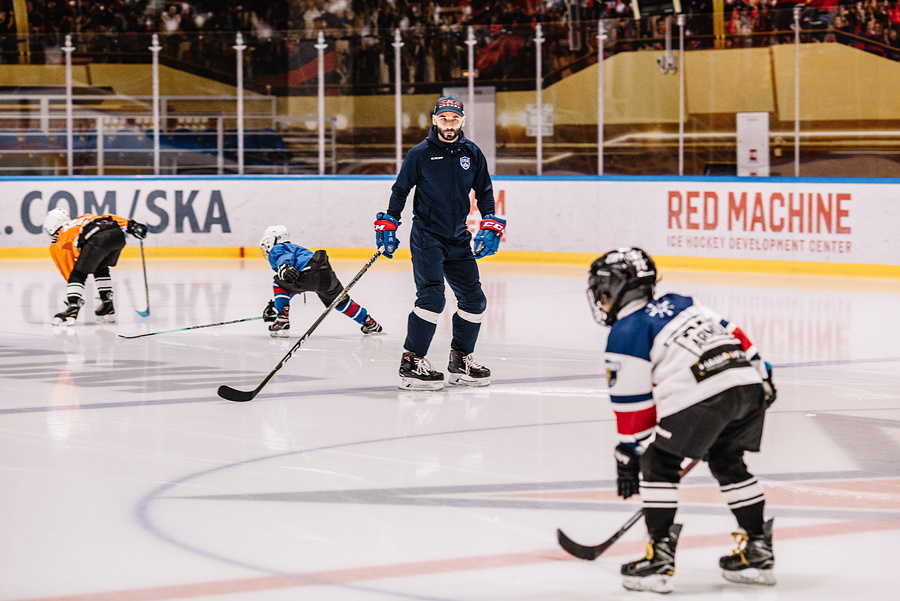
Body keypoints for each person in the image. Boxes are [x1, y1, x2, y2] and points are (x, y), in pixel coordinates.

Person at [586, 247, 777, 594]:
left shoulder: (627, 331)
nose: (601, 297)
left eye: (603, 288)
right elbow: (735, 333)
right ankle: (758, 551)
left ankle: (658, 559)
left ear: (618, 287)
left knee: (658, 463)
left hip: (705, 394)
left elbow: (633, 408)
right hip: (748, 385)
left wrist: (631, 451)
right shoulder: (682, 302)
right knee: (727, 461)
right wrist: (761, 373)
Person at [374, 95, 506, 390]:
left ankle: (461, 360)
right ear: (435, 120)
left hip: (458, 237)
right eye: (444, 119)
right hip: (427, 236)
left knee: (474, 300)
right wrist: (390, 220)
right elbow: (401, 189)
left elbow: (484, 190)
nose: (449, 124)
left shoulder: (472, 152)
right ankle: (412, 362)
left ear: (462, 121)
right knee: (432, 298)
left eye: (454, 119)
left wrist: (489, 220)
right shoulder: (420, 153)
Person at [259, 225, 382, 338]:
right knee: (340, 301)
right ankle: (369, 322)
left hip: (307, 273)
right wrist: (276, 305)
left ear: (271, 240)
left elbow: (283, 257)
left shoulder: (277, 248)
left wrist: (284, 267)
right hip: (325, 273)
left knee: (278, 282)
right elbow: (291, 289)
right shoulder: (297, 249)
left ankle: (282, 319)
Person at [42, 207, 148, 325]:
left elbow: (70, 273)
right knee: (100, 268)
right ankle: (107, 305)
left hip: (97, 240)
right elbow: (108, 218)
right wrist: (131, 225)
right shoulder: (82, 218)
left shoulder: (58, 240)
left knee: (78, 274)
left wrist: (74, 288)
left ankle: (72, 308)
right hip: (117, 235)